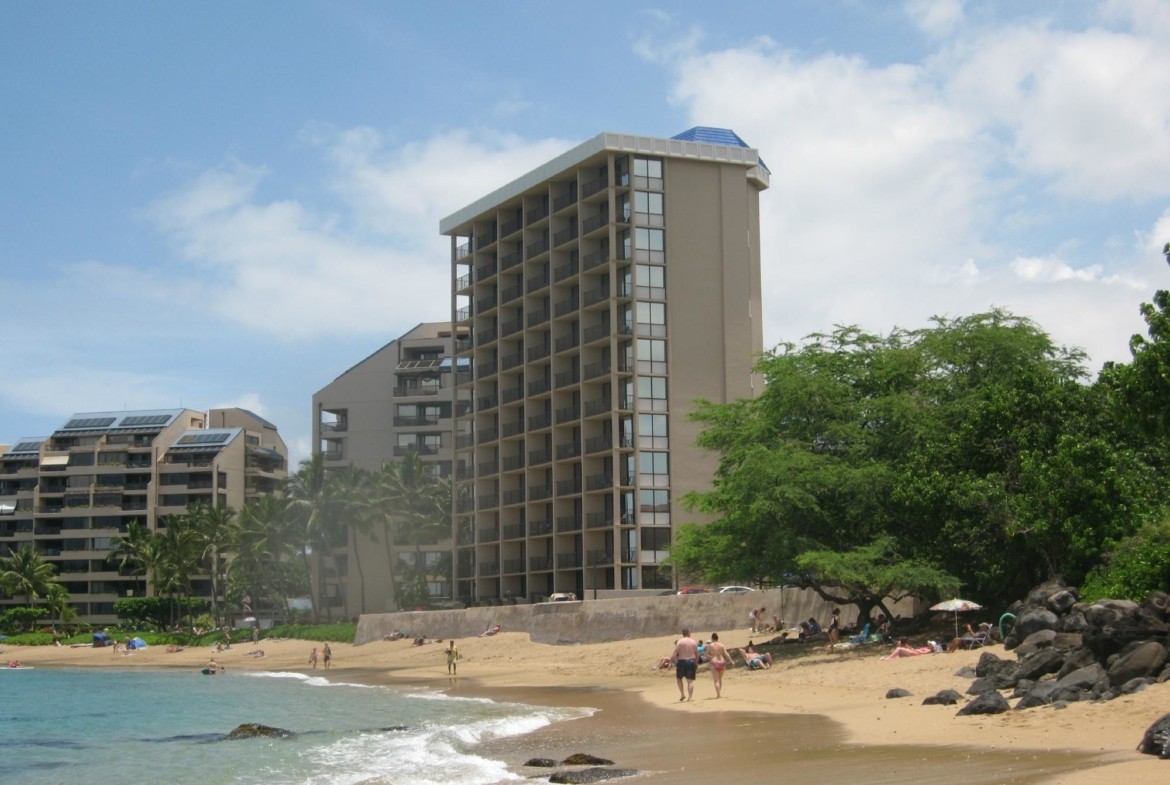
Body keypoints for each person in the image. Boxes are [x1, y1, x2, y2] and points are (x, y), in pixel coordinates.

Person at [671, 628, 700, 701]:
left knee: (679, 679)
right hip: (691, 661)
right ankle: (690, 697)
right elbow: (696, 654)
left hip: (682, 661)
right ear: (688, 633)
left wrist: (670, 662)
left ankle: (682, 694)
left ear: (683, 634)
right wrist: (696, 663)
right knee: (690, 681)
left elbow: (675, 653)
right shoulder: (693, 642)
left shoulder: (680, 642)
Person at [706, 632, 732, 698]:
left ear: (712, 638)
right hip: (722, 662)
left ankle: (718, 694)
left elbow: (706, 654)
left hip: (714, 662)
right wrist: (731, 661)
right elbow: (726, 654)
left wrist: (711, 657)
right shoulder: (722, 645)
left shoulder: (710, 645)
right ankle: (719, 692)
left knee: (716, 680)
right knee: (720, 679)